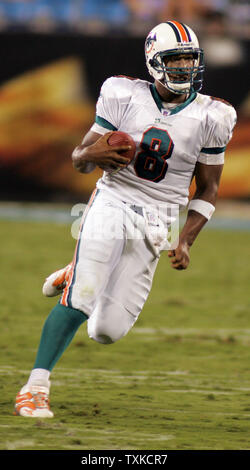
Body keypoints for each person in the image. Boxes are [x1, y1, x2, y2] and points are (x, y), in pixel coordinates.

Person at [14, 20, 236, 418]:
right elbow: (80, 158)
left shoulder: (214, 116)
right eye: (176, 59)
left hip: (161, 219)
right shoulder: (123, 93)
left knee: (106, 331)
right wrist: (88, 157)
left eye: (191, 59)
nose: (186, 67)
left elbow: (208, 189)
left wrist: (185, 239)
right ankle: (35, 387)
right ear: (154, 62)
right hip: (114, 199)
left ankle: (76, 270)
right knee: (82, 298)